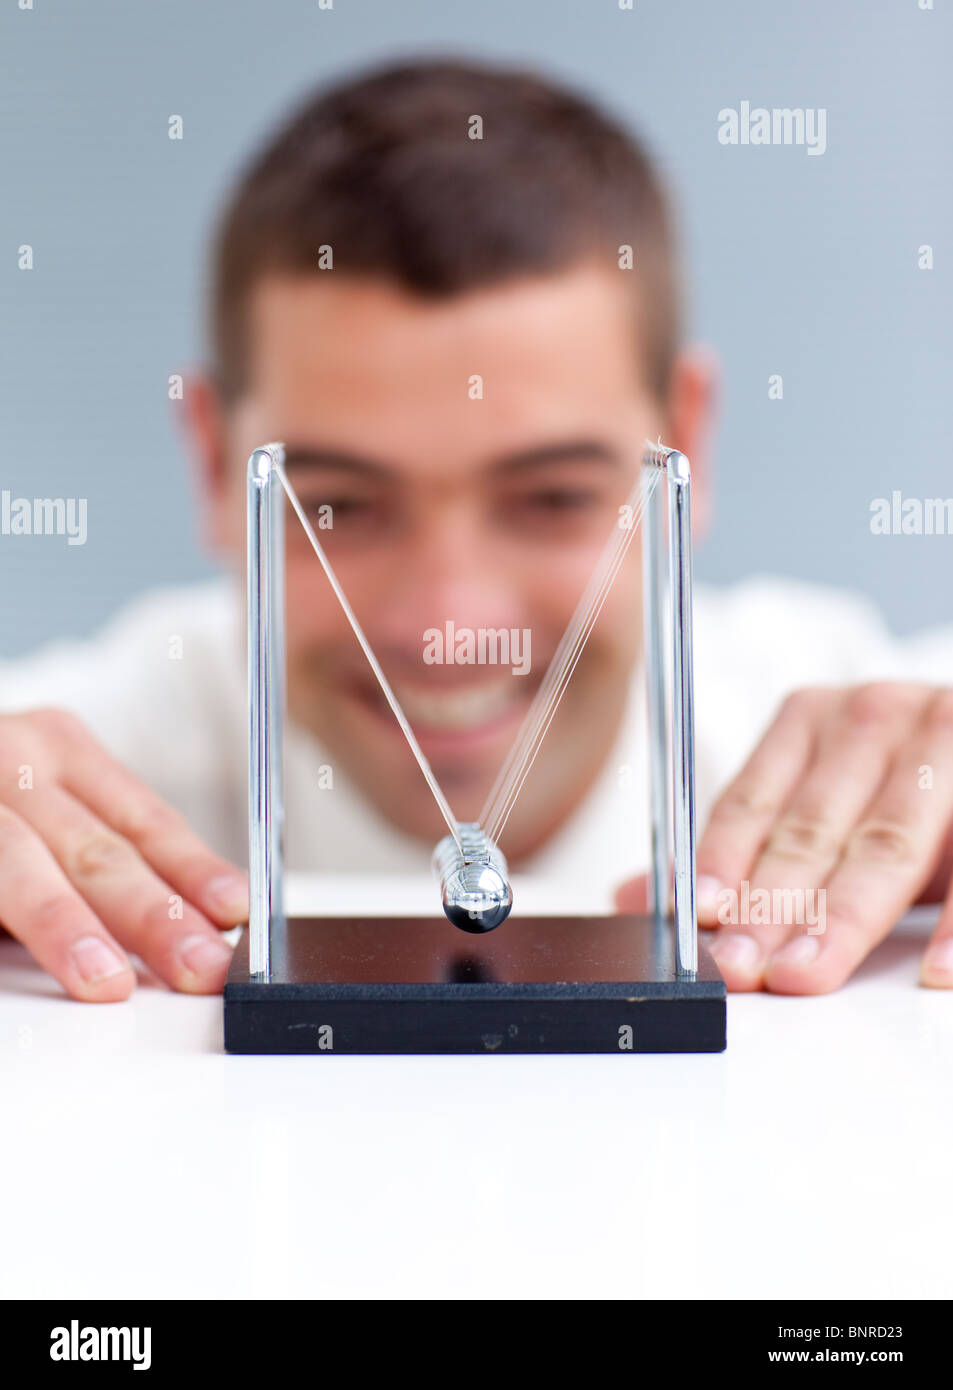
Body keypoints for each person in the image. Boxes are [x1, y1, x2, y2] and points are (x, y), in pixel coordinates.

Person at [1, 58, 951, 1004]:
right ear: (214, 465)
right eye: (336, 507)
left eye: (552, 499)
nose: (451, 619)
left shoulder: (862, 746)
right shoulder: (86, 775)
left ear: (683, 446)